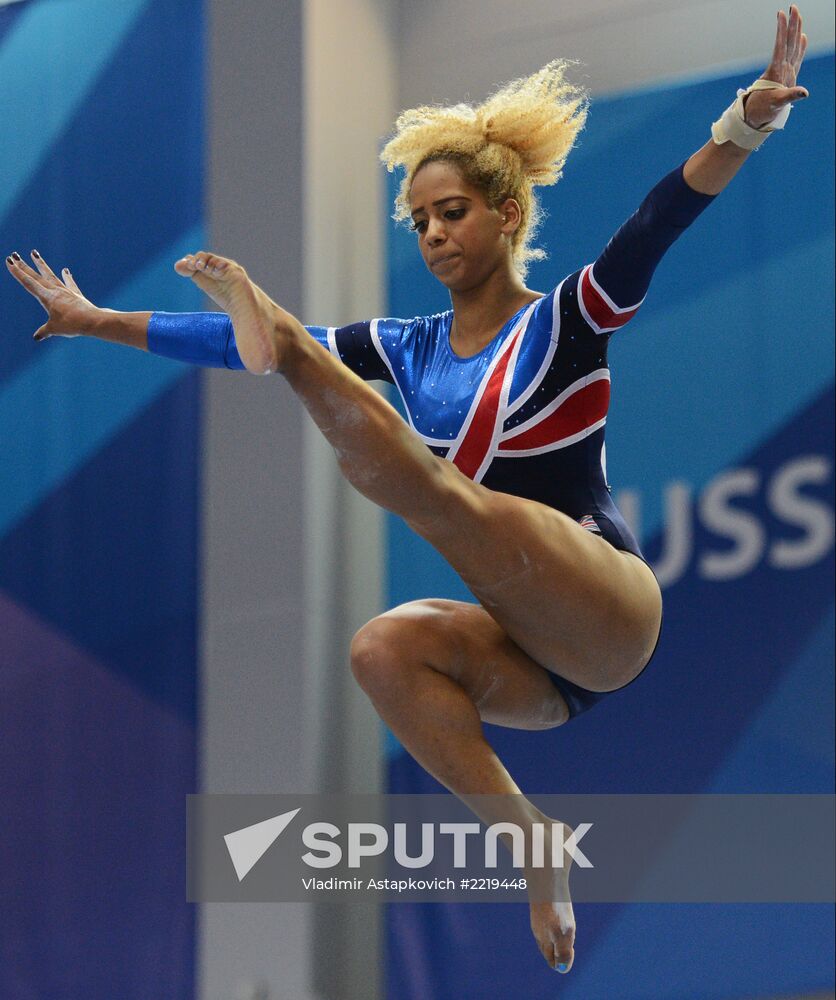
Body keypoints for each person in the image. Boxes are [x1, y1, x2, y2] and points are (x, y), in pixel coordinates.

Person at [6, 5, 809, 974]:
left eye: (451, 212)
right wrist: (98, 322)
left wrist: (745, 121)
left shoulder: (567, 318)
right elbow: (224, 343)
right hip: (530, 657)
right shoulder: (408, 347)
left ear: (505, 214)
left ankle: (293, 353)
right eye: (418, 220)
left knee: (435, 490)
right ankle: (527, 835)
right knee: (381, 646)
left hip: (603, 606)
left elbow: (658, 216)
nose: (431, 233)